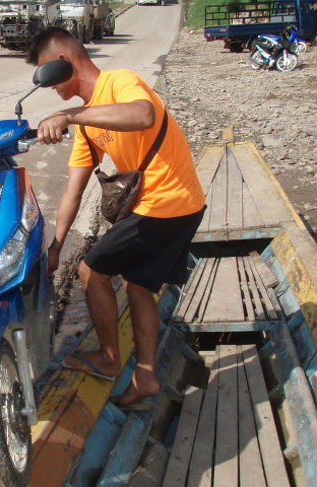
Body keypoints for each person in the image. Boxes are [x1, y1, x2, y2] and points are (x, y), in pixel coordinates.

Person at [27, 27, 206, 409]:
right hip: (176, 205)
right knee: (139, 287)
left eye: (47, 75)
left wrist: (71, 114)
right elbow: (73, 190)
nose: (49, 88)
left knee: (92, 272)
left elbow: (142, 114)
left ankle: (109, 359)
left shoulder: (121, 82)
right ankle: (146, 377)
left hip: (166, 203)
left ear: (63, 65)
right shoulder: (89, 121)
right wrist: (57, 245)